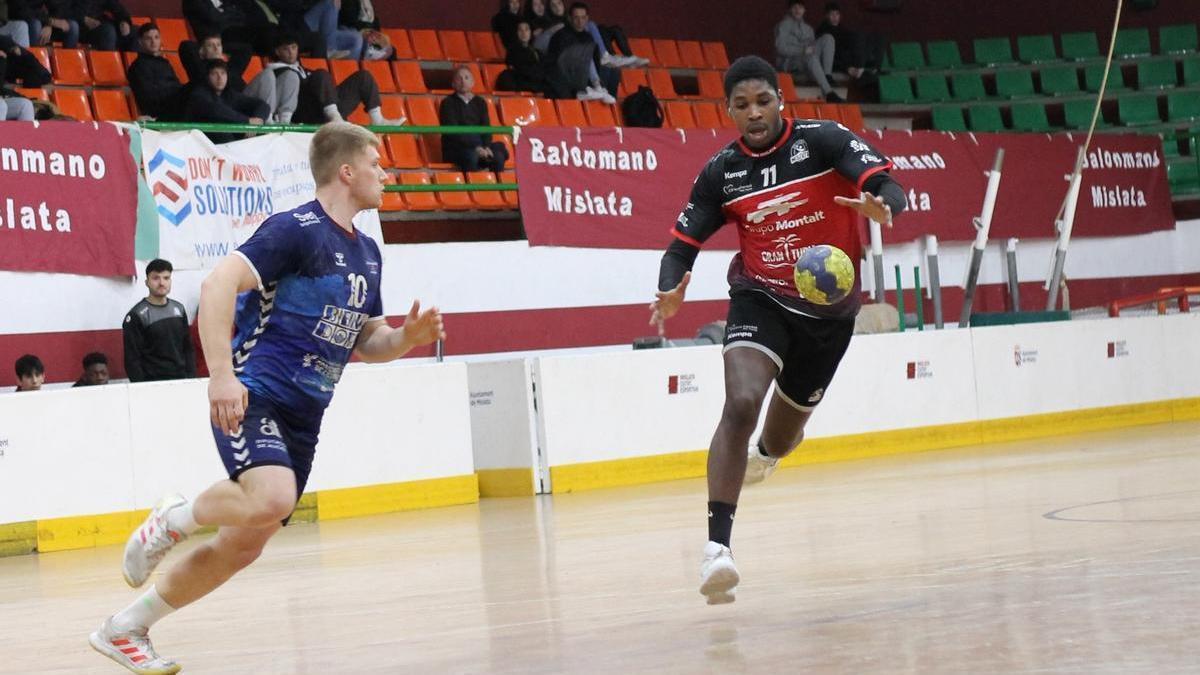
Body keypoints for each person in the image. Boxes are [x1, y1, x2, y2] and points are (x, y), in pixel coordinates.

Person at [89, 122, 446, 675]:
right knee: (274, 497)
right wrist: (221, 377)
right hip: (257, 393)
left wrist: (407, 338)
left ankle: (125, 628)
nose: (385, 173)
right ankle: (172, 520)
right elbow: (216, 285)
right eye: (377, 163)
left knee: (243, 547)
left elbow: (366, 340)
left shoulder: (370, 253)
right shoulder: (295, 230)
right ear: (346, 171)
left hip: (306, 419)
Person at [649, 55, 904, 605]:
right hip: (760, 297)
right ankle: (718, 548)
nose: (754, 112)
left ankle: (768, 450)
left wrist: (883, 206)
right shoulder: (723, 171)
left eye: (762, 100)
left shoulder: (824, 140)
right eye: (741, 105)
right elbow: (680, 246)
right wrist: (670, 285)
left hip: (829, 318)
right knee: (740, 401)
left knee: (782, 437)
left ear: (780, 100)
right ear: (730, 111)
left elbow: (885, 182)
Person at [259, 32, 404, 125]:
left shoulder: (305, 69)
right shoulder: (277, 73)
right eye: (286, 49)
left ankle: (377, 119)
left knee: (364, 77)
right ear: (277, 52)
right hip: (305, 114)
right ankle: (334, 117)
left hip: (325, 107)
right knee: (321, 74)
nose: (291, 53)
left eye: (294, 47)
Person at [123, 258, 197, 383]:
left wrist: (191, 377)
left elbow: (187, 348)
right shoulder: (136, 315)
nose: (162, 283)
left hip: (182, 380)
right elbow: (132, 359)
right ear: (147, 282)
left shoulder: (179, 309)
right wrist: (142, 387)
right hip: (152, 384)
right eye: (156, 278)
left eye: (166, 278)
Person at [439, 65, 509, 172]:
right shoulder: (447, 103)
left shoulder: (480, 102)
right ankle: (474, 188)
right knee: (472, 157)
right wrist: (476, 147)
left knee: (498, 156)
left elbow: (486, 128)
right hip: (457, 147)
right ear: (453, 83)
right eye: (459, 78)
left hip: (480, 145)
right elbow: (453, 133)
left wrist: (486, 147)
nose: (463, 81)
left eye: (467, 78)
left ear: (472, 82)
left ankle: (498, 188)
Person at [547, 2, 617, 103]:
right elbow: (560, 63)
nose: (580, 21)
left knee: (613, 71)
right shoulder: (561, 36)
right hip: (564, 76)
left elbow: (595, 58)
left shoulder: (587, 36)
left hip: (582, 75)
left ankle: (599, 91)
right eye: (576, 18)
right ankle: (593, 87)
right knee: (584, 54)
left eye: (583, 18)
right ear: (570, 18)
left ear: (587, 18)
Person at [185, 59, 268, 143]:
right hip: (197, 142)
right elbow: (216, 110)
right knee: (222, 133)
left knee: (261, 133)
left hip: (224, 140)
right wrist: (247, 121)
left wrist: (258, 120)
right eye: (214, 73)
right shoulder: (198, 93)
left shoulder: (229, 94)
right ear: (207, 77)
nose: (220, 78)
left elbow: (262, 105)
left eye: (223, 73)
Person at [774, 0, 842, 102]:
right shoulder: (783, 25)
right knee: (811, 57)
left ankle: (827, 75)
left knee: (828, 38)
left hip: (807, 60)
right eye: (795, 7)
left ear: (804, 10)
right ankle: (829, 93)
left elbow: (812, 49)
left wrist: (809, 50)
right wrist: (802, 50)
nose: (798, 10)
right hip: (791, 62)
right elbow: (780, 48)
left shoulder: (808, 29)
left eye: (800, 7)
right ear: (790, 9)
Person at [127, 23, 183, 120]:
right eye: (148, 38)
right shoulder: (137, 67)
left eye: (156, 37)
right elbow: (149, 97)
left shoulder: (165, 62)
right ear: (140, 42)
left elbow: (176, 84)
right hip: (162, 110)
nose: (153, 42)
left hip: (176, 103)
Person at [816, 2, 883, 82]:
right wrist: (847, 68)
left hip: (849, 60)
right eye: (832, 14)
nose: (835, 17)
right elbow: (829, 57)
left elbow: (853, 44)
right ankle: (862, 68)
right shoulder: (822, 31)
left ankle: (869, 67)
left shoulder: (841, 29)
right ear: (826, 16)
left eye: (837, 14)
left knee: (873, 37)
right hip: (836, 63)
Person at [497, 20, 563, 97]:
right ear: (516, 33)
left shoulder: (535, 51)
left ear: (530, 32)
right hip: (525, 82)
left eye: (526, 29)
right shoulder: (513, 51)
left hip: (537, 80)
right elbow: (523, 69)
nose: (524, 33)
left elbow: (547, 64)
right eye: (520, 30)